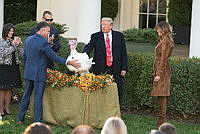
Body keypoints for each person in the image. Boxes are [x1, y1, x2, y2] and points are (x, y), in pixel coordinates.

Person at [18, 22, 80, 123]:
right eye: (48, 31)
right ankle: (37, 121)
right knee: (38, 97)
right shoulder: (43, 42)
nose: (49, 33)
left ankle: (20, 119)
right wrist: (69, 62)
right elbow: (53, 56)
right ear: (42, 30)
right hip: (38, 74)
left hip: (29, 72)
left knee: (26, 95)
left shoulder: (29, 39)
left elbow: (25, 56)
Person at [83, 17, 128, 104]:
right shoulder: (95, 36)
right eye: (101, 25)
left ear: (111, 25)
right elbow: (88, 48)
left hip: (116, 67)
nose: (102, 26)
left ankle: (116, 109)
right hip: (100, 67)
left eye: (105, 25)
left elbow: (123, 53)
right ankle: (100, 108)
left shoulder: (119, 36)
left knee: (117, 89)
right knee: (100, 89)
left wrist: (124, 68)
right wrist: (82, 56)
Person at [151, 21, 174, 127]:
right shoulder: (163, 40)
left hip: (163, 71)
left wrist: (159, 74)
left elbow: (164, 59)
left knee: (162, 95)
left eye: (158, 29)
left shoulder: (166, 42)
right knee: (160, 95)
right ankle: (161, 123)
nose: (157, 31)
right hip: (160, 69)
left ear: (163, 29)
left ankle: (162, 123)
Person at [0, 23, 23, 116]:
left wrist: (19, 44)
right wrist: (13, 46)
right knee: (2, 89)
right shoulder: (1, 41)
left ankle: (7, 108)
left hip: (13, 67)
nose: (11, 32)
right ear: (5, 31)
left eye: (12, 31)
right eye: (10, 30)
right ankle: (1, 109)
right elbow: (2, 54)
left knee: (10, 89)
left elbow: (21, 54)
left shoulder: (14, 40)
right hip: (4, 67)